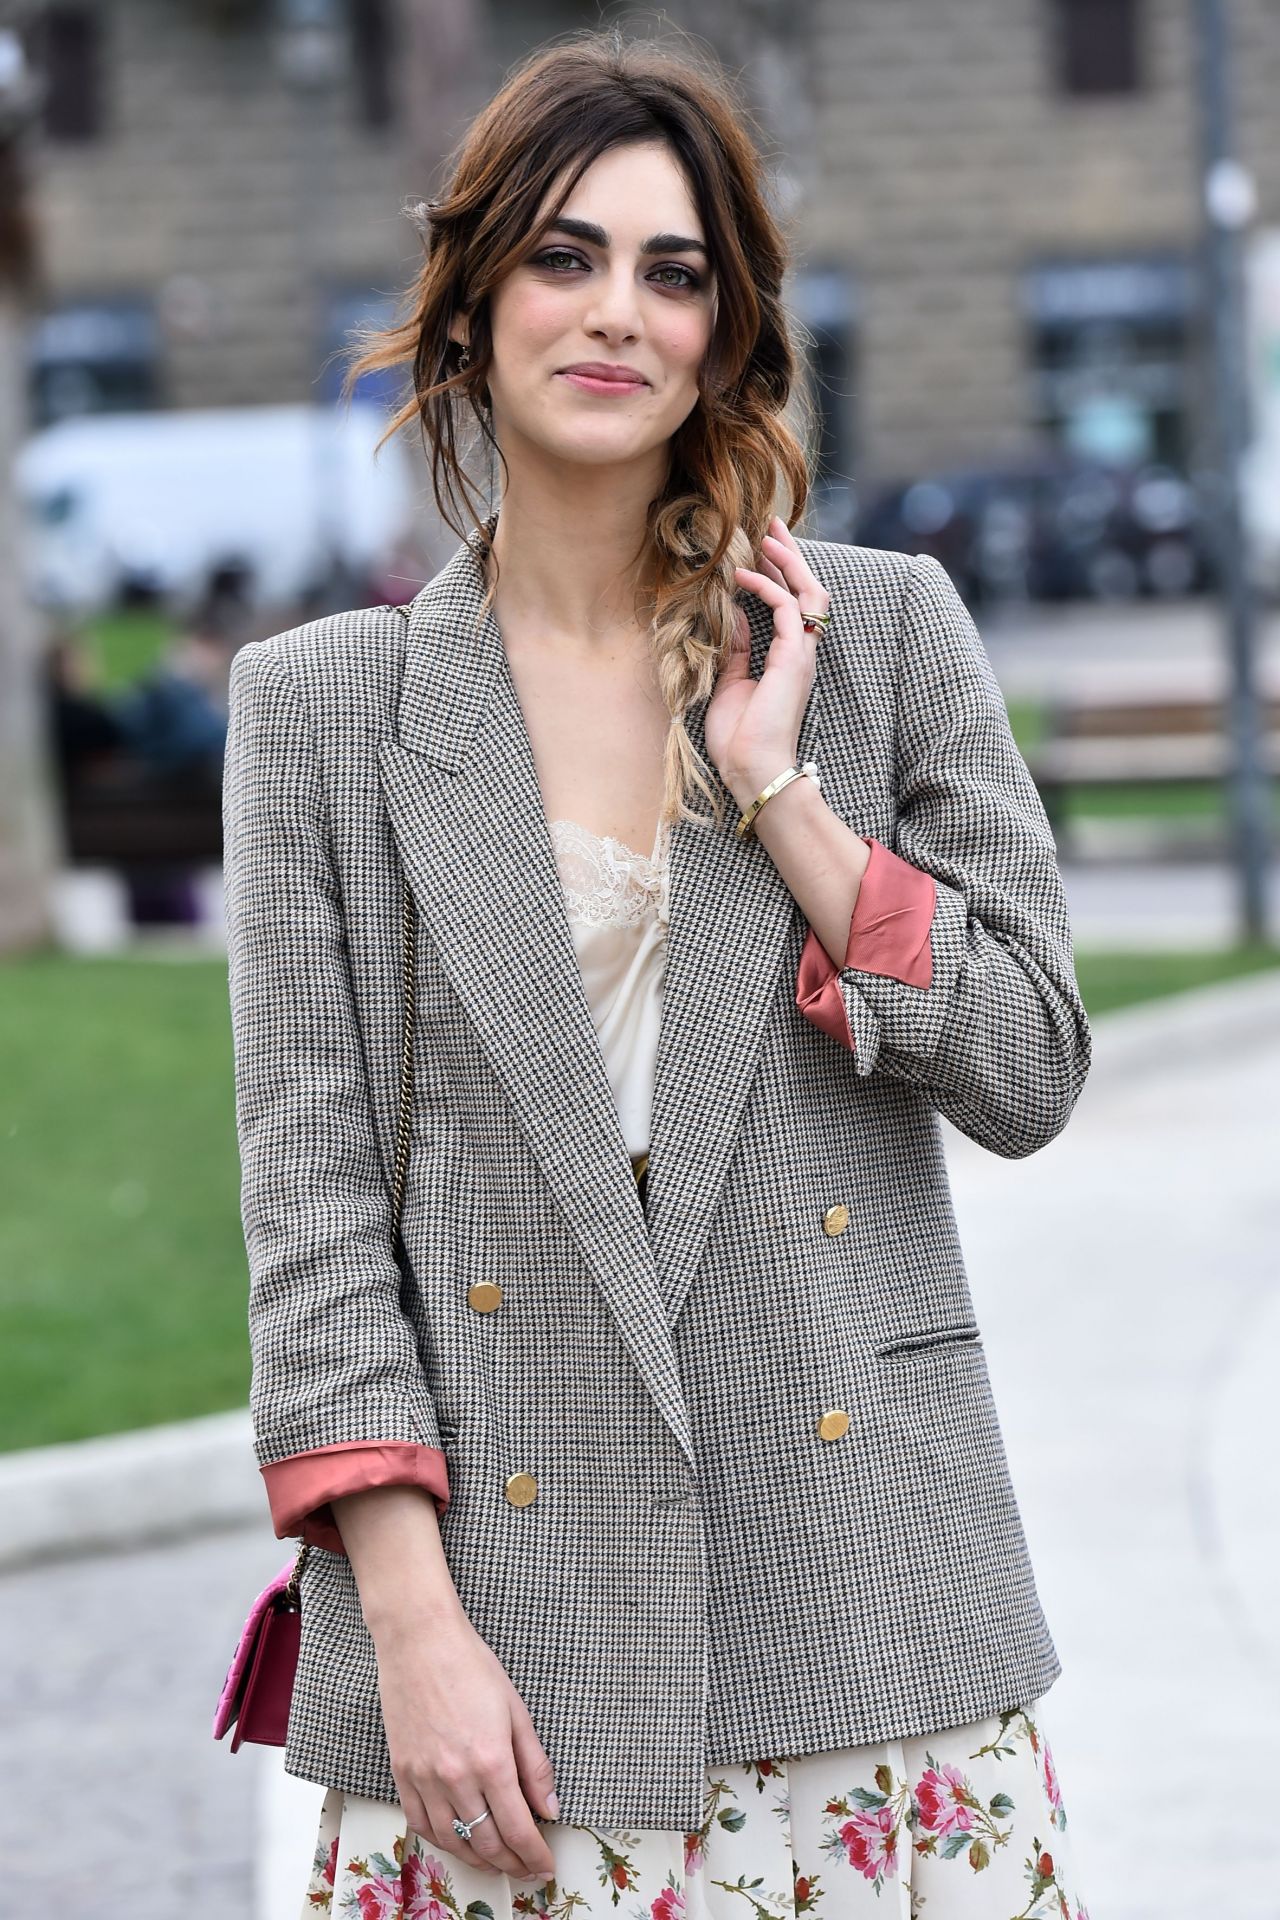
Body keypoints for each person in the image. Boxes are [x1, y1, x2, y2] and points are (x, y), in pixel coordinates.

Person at [221, 28, 1093, 1919]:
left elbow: (1029, 1067)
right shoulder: (322, 718)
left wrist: (780, 789)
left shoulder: (873, 643)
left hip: (872, 1614)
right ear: (468, 311)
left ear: (726, 328)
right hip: (506, 1668)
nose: (618, 312)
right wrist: (414, 1629)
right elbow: (314, 1219)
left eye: (673, 270)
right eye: (564, 255)